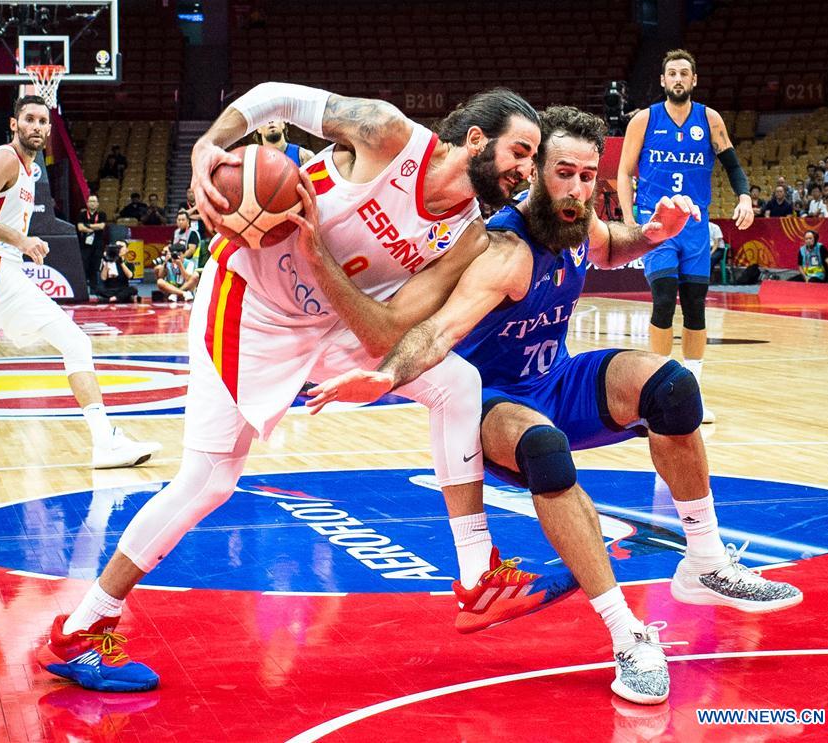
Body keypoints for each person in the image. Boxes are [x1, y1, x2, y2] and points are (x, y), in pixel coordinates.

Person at [39, 84, 549, 694]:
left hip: (332, 320)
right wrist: (209, 146)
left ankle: (476, 574)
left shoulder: (467, 236)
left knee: (457, 382)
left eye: (532, 159)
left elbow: (384, 327)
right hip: (248, 303)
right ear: (477, 139)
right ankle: (84, 626)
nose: (527, 170)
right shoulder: (388, 134)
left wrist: (317, 256)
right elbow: (275, 96)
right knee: (208, 481)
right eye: (521, 152)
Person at [307, 106, 802, 704]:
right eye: (563, 173)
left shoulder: (579, 220)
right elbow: (438, 331)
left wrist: (654, 233)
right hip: (493, 406)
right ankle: (627, 634)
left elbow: (610, 247)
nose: (576, 189)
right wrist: (385, 377)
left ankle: (705, 561)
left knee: (673, 388)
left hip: (554, 380)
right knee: (546, 449)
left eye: (588, 176)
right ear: (536, 170)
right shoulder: (504, 249)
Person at [0, 95, 160, 469]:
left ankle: (105, 442)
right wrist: (21, 240)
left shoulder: (30, 170)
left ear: (50, 129)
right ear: (14, 124)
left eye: (42, 121)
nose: (36, 126)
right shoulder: (5, 157)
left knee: (75, 341)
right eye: (29, 119)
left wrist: (19, 246)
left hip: (7, 274)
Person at [617, 49, 755, 424]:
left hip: (695, 225)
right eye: (672, 73)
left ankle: (691, 393)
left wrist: (744, 196)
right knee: (663, 299)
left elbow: (733, 166)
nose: (678, 79)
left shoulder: (709, 119)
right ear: (663, 80)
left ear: (694, 80)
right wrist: (630, 222)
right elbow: (624, 172)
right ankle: (656, 390)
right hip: (657, 222)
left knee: (695, 306)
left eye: (684, 73)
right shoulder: (644, 120)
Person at [76, 194, 107, 292]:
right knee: (84, 265)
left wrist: (88, 226)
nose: (92, 203)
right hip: (85, 245)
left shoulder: (101, 214)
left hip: (98, 245)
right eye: (90, 201)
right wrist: (94, 227)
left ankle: (94, 288)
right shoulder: (82, 214)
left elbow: (102, 226)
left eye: (94, 201)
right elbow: (80, 227)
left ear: (98, 204)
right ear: (87, 203)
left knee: (95, 266)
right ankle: (83, 288)